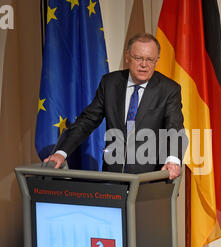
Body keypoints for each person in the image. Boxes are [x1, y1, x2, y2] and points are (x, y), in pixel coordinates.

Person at [44, 33, 187, 180]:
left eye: (150, 59)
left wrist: (173, 160)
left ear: (157, 61)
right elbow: (87, 121)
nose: (144, 65)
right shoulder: (110, 83)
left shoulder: (169, 89)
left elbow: (175, 127)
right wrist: (61, 153)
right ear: (127, 57)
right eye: (138, 58)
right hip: (113, 177)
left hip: (149, 180)